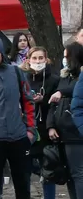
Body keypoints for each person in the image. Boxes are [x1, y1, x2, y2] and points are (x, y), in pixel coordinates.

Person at [0, 36, 35, 199]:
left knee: (22, 184)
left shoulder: (16, 72)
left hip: (19, 136)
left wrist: (30, 130)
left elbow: (28, 101)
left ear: (2, 52)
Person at [24, 46, 59, 199]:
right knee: (25, 166)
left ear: (46, 59)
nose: (37, 62)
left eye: (40, 58)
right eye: (35, 58)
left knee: (48, 167)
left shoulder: (54, 79)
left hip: (45, 126)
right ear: (28, 60)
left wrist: (43, 100)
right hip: (27, 127)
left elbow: (55, 104)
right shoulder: (23, 77)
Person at [54, 43, 83, 198]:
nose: (64, 60)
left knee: (78, 173)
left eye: (67, 57)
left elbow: (77, 93)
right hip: (64, 132)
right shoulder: (65, 76)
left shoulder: (79, 76)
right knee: (71, 174)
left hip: (75, 132)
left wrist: (62, 92)